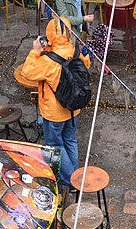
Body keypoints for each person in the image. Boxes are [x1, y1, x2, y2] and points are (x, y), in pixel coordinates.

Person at [19, 16, 91, 186]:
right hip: (74, 107)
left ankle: (70, 181)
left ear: (50, 34)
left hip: (54, 113)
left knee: (55, 145)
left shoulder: (48, 60)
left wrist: (36, 50)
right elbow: (85, 65)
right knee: (70, 140)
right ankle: (75, 177)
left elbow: (27, 72)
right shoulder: (76, 51)